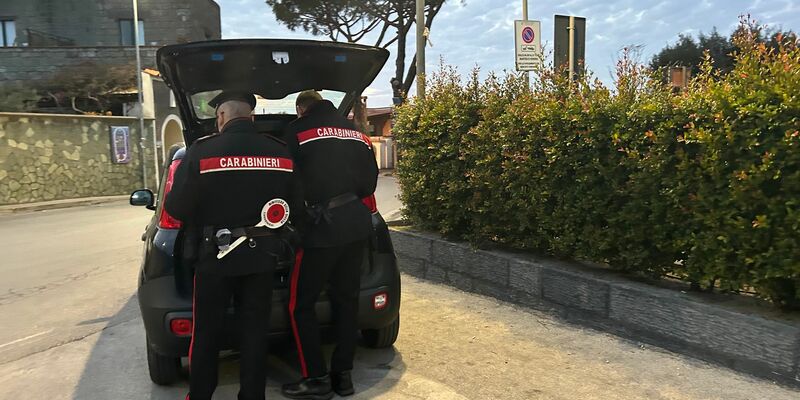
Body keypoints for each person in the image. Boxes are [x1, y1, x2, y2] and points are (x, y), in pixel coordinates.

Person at [165, 91, 302, 400]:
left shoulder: (202, 152)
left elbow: (177, 208)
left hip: (215, 258)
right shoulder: (279, 152)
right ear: (251, 117)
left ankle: (201, 395)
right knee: (254, 331)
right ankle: (252, 395)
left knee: (207, 332)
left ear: (221, 117)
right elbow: (295, 204)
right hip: (263, 258)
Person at [281, 90, 379, 399]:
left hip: (319, 228)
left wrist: (299, 220)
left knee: (301, 304)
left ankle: (315, 378)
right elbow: (369, 184)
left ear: (301, 109)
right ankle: (343, 376)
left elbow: (287, 181)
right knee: (346, 300)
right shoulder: (356, 134)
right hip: (356, 224)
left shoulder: (297, 132)